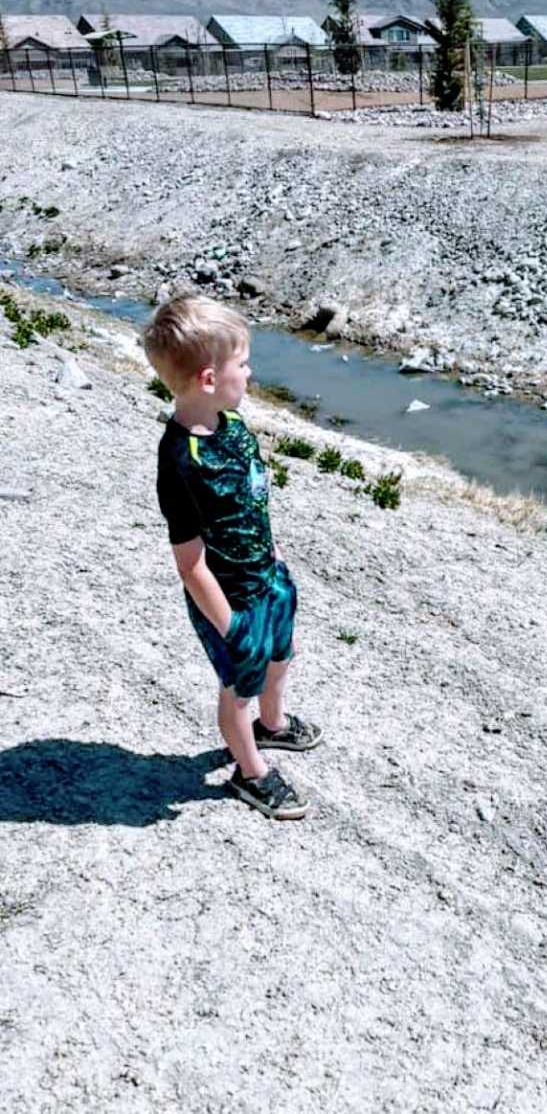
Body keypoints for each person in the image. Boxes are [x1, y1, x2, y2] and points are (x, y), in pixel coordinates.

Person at [143, 296, 322, 820]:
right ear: (207, 378)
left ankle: (274, 725)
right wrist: (229, 626)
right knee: (237, 687)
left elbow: (254, 499)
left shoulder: (234, 428)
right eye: (241, 365)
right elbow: (190, 563)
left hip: (267, 576)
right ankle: (251, 773)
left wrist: (277, 557)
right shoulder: (181, 459)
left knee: (280, 656)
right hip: (230, 600)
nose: (249, 372)